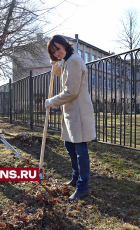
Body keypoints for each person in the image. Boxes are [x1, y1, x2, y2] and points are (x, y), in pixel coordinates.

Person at [45, 35, 96, 201]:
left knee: (80, 150)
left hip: (78, 112)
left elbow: (71, 91)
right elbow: (67, 77)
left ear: (65, 46)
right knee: (70, 146)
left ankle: (83, 187)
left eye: (58, 49)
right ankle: (76, 177)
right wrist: (56, 67)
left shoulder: (74, 60)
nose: (57, 53)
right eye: (53, 52)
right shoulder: (68, 61)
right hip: (71, 112)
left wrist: (51, 101)